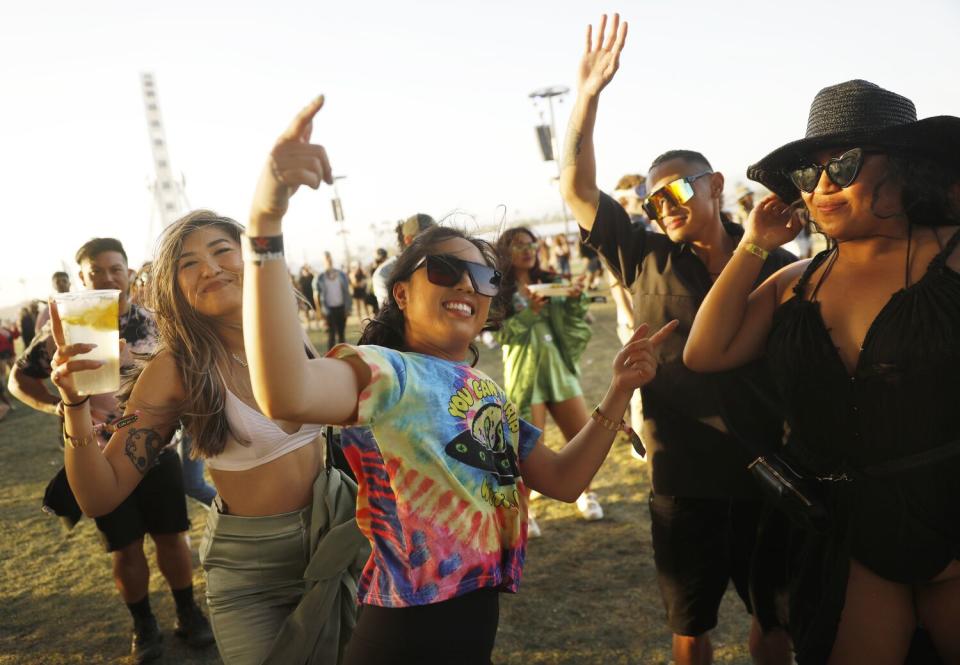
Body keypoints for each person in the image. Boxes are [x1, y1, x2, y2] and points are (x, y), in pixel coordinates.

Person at [241, 94, 677, 665]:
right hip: (404, 633)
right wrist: (265, 225)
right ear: (401, 293)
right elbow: (285, 393)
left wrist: (618, 390)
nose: (469, 286)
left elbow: (564, 481)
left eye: (484, 276)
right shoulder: (384, 372)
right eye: (447, 270)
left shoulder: (484, 394)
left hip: (476, 619)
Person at [684, 79, 960, 665]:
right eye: (808, 174)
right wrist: (753, 245)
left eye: (844, 163)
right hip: (851, 537)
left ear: (906, 168)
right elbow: (704, 353)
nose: (823, 184)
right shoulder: (795, 283)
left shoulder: (954, 256)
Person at [559, 15, 795, 665]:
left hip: (766, 473)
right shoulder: (641, 255)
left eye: (677, 187)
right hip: (683, 476)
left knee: (777, 624)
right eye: (652, 193)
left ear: (717, 186)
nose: (662, 202)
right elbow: (575, 187)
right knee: (691, 630)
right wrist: (587, 97)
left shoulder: (777, 266)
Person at [47, 213, 367, 665]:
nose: (211, 268)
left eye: (221, 250)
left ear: (250, 259)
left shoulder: (290, 335)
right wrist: (74, 404)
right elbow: (100, 496)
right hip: (251, 576)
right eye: (188, 263)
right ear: (175, 289)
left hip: (334, 547)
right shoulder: (176, 367)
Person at [8, 237, 212, 663]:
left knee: (173, 538)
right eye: (96, 271)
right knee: (125, 548)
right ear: (81, 278)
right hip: (99, 458)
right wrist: (60, 407)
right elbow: (18, 380)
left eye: (114, 269)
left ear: (127, 272)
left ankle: (188, 613)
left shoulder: (156, 322)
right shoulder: (64, 331)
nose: (107, 277)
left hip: (157, 453)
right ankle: (143, 625)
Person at [495, 227, 606, 532]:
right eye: (519, 245)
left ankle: (587, 493)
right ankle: (526, 511)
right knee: (529, 448)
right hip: (524, 372)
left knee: (582, 434)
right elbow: (502, 334)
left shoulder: (551, 280)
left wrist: (574, 298)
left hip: (557, 369)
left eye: (532, 244)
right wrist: (528, 311)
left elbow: (573, 321)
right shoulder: (499, 290)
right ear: (506, 251)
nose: (528, 250)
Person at [371, 214, 436, 305]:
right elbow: (388, 315)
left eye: (438, 236)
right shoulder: (385, 274)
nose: (436, 242)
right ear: (408, 240)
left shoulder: (445, 264)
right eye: (429, 238)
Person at [313, 251, 351, 351]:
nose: (329, 261)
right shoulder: (320, 277)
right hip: (329, 310)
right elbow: (316, 295)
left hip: (341, 308)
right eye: (326, 259)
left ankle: (344, 356)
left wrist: (348, 308)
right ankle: (330, 359)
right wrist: (319, 311)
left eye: (329, 258)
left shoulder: (341, 274)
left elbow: (347, 292)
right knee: (331, 335)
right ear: (323, 261)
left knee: (342, 335)